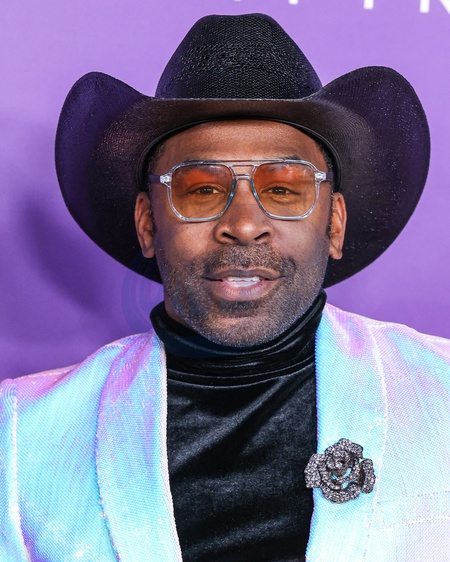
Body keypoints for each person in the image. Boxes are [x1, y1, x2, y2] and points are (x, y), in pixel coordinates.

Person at [1, 13, 449, 562]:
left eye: (283, 189)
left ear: (334, 224)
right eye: (202, 189)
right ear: (148, 223)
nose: (243, 223)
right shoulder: (20, 437)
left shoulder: (441, 393)